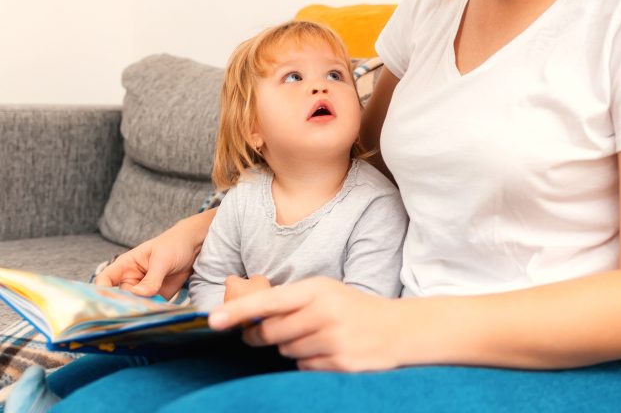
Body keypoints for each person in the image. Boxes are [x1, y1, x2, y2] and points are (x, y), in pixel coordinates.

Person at [39, 0, 621, 411]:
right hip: (414, 338)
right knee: (84, 390)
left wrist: (392, 327)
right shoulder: (440, 0)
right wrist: (191, 236)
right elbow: (361, 164)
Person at [5, 21, 407, 413]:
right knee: (112, 360)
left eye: (336, 74)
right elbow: (212, 278)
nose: (320, 86)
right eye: (292, 78)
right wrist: (227, 318)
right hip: (237, 341)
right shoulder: (243, 197)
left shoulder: (376, 205)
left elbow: (367, 309)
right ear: (253, 129)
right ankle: (39, 396)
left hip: (313, 362)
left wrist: (264, 313)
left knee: (138, 389)